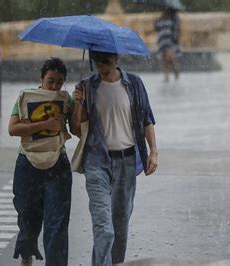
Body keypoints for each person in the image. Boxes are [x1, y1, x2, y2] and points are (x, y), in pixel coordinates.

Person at [71, 50, 158, 266]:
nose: (101, 65)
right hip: (97, 163)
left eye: (106, 61)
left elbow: (147, 118)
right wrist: (78, 103)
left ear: (117, 59)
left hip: (127, 162)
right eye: (97, 61)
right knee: (104, 228)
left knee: (120, 227)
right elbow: (75, 129)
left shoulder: (134, 83)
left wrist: (153, 151)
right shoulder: (87, 87)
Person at [8, 57, 73, 266]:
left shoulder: (66, 100)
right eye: (50, 80)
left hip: (58, 164)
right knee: (27, 218)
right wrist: (45, 124)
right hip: (27, 163)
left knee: (57, 224)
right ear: (41, 79)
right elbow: (13, 129)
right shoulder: (25, 98)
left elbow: (78, 130)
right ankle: (27, 252)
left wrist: (79, 103)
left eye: (60, 82)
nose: (54, 86)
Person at [155, 7, 181, 82]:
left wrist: (176, 39)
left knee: (172, 59)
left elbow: (177, 29)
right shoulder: (159, 19)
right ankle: (166, 77)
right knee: (163, 59)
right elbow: (157, 29)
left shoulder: (174, 18)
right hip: (162, 41)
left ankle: (176, 76)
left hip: (170, 41)